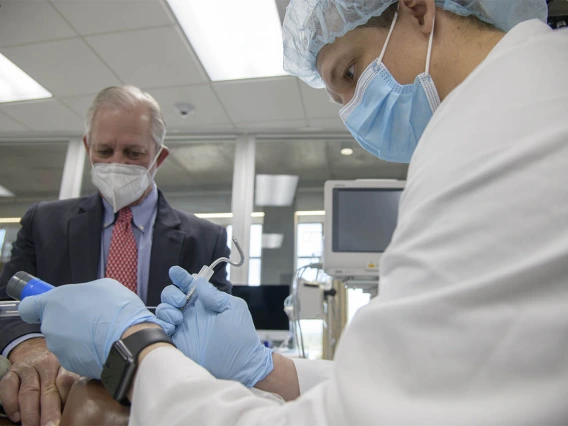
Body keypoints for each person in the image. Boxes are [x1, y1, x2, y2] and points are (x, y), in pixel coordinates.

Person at [9, 0, 568, 424]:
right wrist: (267, 370)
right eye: (339, 93)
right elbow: (430, 380)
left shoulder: (500, 138)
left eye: (349, 72)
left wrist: (137, 349)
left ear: (419, 9)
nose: (354, 109)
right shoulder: (513, 104)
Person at [0, 85, 231, 426]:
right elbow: (7, 304)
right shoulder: (43, 223)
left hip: (157, 399)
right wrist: (31, 347)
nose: (116, 164)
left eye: (134, 153)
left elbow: (217, 328)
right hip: (61, 395)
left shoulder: (205, 239)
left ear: (159, 156)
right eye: (104, 150)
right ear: (87, 147)